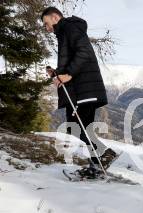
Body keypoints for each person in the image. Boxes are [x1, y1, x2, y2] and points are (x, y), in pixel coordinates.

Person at [41, 7, 117, 177]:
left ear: (55, 17)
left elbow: (84, 52)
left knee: (76, 127)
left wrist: (68, 74)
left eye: (46, 23)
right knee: (81, 128)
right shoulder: (65, 32)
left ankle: (105, 155)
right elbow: (75, 57)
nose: (46, 28)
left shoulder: (70, 27)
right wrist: (57, 73)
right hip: (81, 89)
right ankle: (98, 165)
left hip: (85, 89)